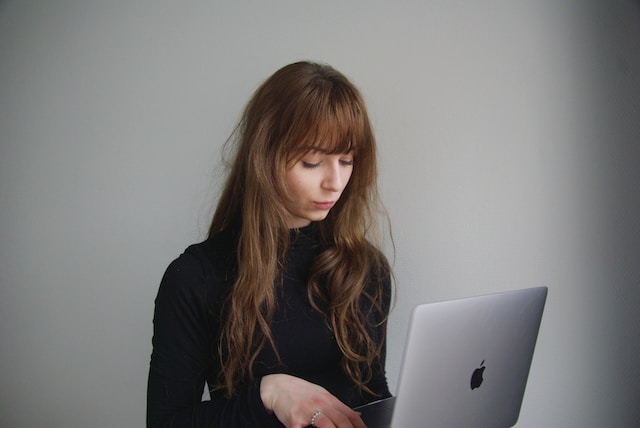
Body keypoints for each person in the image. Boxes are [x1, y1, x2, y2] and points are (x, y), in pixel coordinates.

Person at [147, 61, 393, 428]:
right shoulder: (195, 278)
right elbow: (166, 422)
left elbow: (370, 393)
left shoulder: (365, 269)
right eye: (312, 162)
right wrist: (267, 394)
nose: (336, 182)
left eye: (347, 159)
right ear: (265, 156)